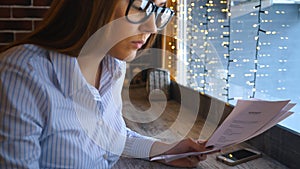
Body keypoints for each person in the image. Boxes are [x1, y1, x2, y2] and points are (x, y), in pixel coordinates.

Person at [0, 0, 214, 168]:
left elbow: (111, 135)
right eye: (140, 6)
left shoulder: (113, 65)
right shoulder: (21, 74)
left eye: (158, 10)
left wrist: (167, 150)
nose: (152, 26)